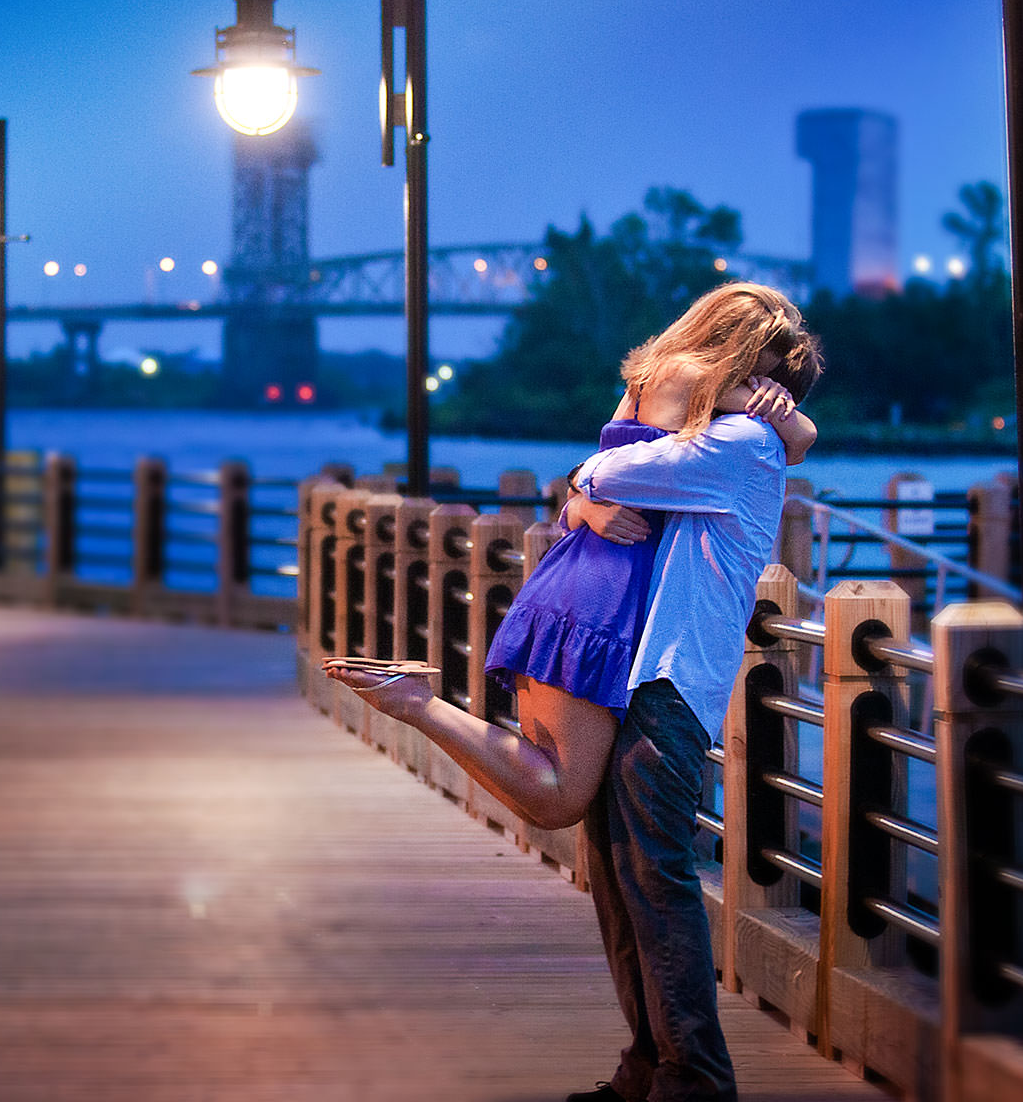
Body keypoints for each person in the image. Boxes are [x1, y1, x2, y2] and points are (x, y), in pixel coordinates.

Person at [329, 282, 821, 1102]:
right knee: (622, 873)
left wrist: (593, 487)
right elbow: (596, 483)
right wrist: (587, 500)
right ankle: (647, 1067)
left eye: (772, 386)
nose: (765, 399)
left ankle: (694, 1078)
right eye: (759, 380)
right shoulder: (723, 426)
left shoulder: (742, 444)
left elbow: (608, 464)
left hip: (666, 683)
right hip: (631, 670)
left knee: (655, 878)